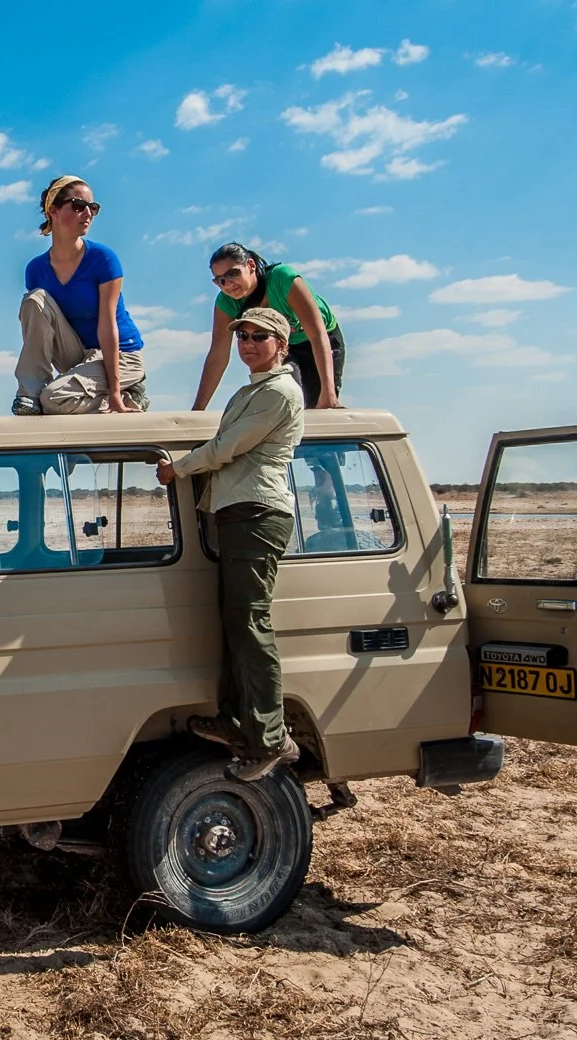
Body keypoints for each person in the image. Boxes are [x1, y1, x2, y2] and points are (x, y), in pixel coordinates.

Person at [156, 308, 304, 782]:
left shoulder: (279, 391)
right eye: (242, 336)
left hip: (258, 512)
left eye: (260, 337)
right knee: (235, 619)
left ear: (281, 344)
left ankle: (270, 737)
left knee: (250, 619)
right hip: (238, 512)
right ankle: (235, 719)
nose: (249, 344)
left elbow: (228, 447)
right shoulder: (251, 389)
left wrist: (176, 469)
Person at [11, 175, 147, 416]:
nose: (88, 213)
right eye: (78, 206)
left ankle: (130, 395)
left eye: (92, 207)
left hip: (119, 356)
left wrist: (114, 393)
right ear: (53, 211)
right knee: (34, 300)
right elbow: (43, 331)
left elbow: (108, 324)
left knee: (53, 400)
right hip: (77, 356)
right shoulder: (36, 269)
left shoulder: (103, 259)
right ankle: (29, 393)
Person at [196, 242, 345, 411]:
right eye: (221, 280)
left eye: (233, 274)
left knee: (319, 402)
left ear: (251, 265)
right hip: (281, 346)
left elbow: (317, 335)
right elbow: (218, 355)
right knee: (282, 398)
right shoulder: (226, 302)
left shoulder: (283, 279)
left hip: (320, 340)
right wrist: (198, 410)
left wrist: (328, 392)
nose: (228, 284)